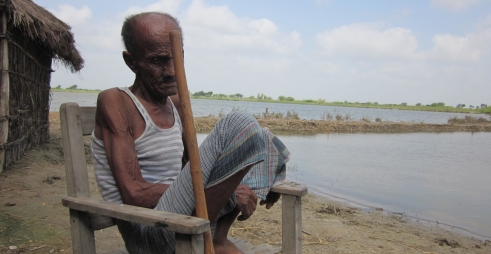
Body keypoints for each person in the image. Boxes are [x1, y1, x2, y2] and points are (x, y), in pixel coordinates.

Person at [91, 11, 290, 254]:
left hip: (189, 219)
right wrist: (225, 193)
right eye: (158, 61)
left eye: (177, 58)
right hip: (150, 232)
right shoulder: (115, 101)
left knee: (262, 138)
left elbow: (190, 166)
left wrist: (240, 182)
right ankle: (213, 235)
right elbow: (134, 193)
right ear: (131, 61)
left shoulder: (175, 102)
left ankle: (217, 237)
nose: (172, 71)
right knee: (239, 123)